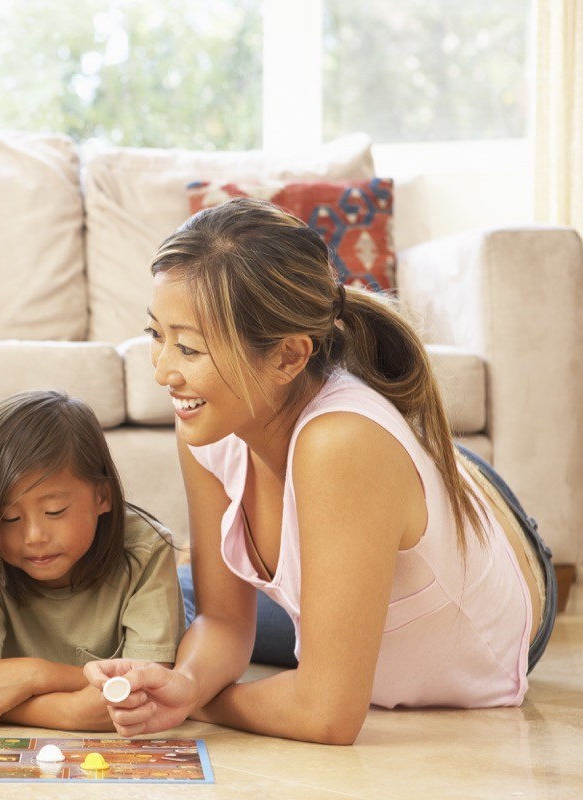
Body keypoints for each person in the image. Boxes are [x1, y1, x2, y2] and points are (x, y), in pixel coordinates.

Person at [84, 197, 557, 745]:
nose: (164, 370)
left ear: (288, 356)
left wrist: (197, 703)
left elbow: (326, 713)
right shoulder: (208, 423)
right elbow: (225, 623)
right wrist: (185, 681)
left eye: (188, 348)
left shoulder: (341, 446)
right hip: (363, 496)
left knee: (179, 606)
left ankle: (414, 462)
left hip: (498, 559)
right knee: (168, 592)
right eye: (156, 335)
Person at [0, 390, 183, 730]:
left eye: (54, 511)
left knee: (201, 611)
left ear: (103, 496)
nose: (34, 536)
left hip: (176, 601)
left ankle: (190, 570)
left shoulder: (147, 550)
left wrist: (38, 676)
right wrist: (83, 705)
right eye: (9, 519)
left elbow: (148, 691)